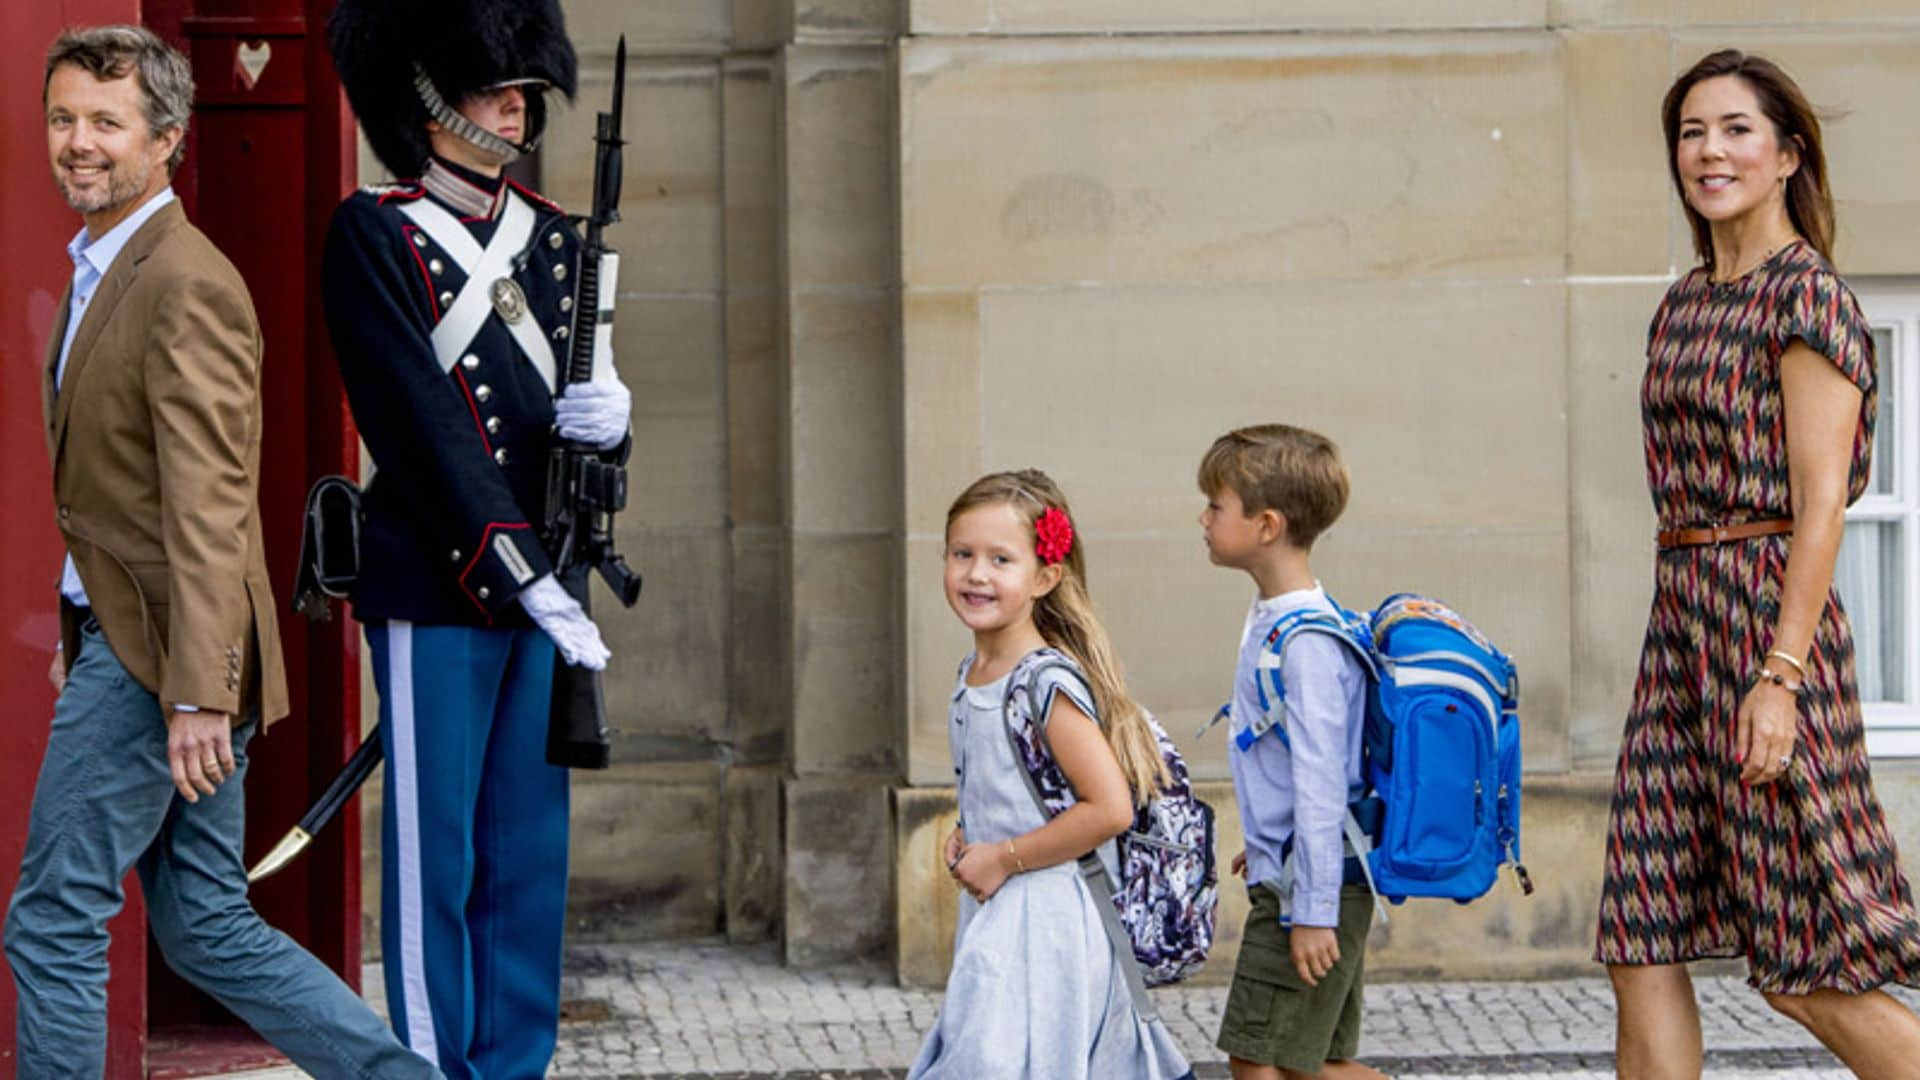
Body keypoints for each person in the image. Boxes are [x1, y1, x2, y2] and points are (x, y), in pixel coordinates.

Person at [4, 25, 439, 1080]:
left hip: (166, 662)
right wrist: (86, 622)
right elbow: (124, 502)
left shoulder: (181, 280)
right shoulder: (113, 265)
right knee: (203, 923)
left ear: (166, 138)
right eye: (64, 118)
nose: (78, 142)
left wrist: (198, 689)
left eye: (106, 122)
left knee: (53, 918)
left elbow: (208, 503)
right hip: (147, 642)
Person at [319, 0, 630, 1075]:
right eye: (493, 84)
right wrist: (517, 573)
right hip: (441, 588)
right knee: (436, 860)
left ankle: (512, 1064)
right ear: (426, 97)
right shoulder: (375, 233)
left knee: (525, 860)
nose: (515, 101)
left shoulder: (551, 237)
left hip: (547, 579)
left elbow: (571, 417)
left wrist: (612, 420)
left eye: (519, 86)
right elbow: (417, 423)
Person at [1597, 49, 1920, 1078]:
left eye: (1735, 129)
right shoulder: (1687, 300)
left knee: (1807, 961)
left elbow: (1823, 504)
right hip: (1680, 626)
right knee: (1639, 932)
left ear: (1787, 154)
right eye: (1692, 132)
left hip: (1768, 633)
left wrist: (1779, 677)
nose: (1709, 151)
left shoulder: (1807, 298)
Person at [908, 470, 1192, 1080]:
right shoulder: (975, 670)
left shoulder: (1044, 683)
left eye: (1000, 559)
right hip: (1005, 906)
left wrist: (1003, 855)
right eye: (963, 554)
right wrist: (972, 829)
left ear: (1044, 576)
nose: (976, 574)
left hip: (1049, 918)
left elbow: (1108, 808)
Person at [1196, 426, 1387, 1080]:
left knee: (1256, 1059)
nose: (1204, 517)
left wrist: (1312, 910)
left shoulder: (1304, 642)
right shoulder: (1284, 617)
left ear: (1267, 524)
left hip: (1310, 888)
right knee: (1306, 1063)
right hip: (1306, 870)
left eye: (1217, 505)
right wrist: (1270, 839)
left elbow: (1320, 780)